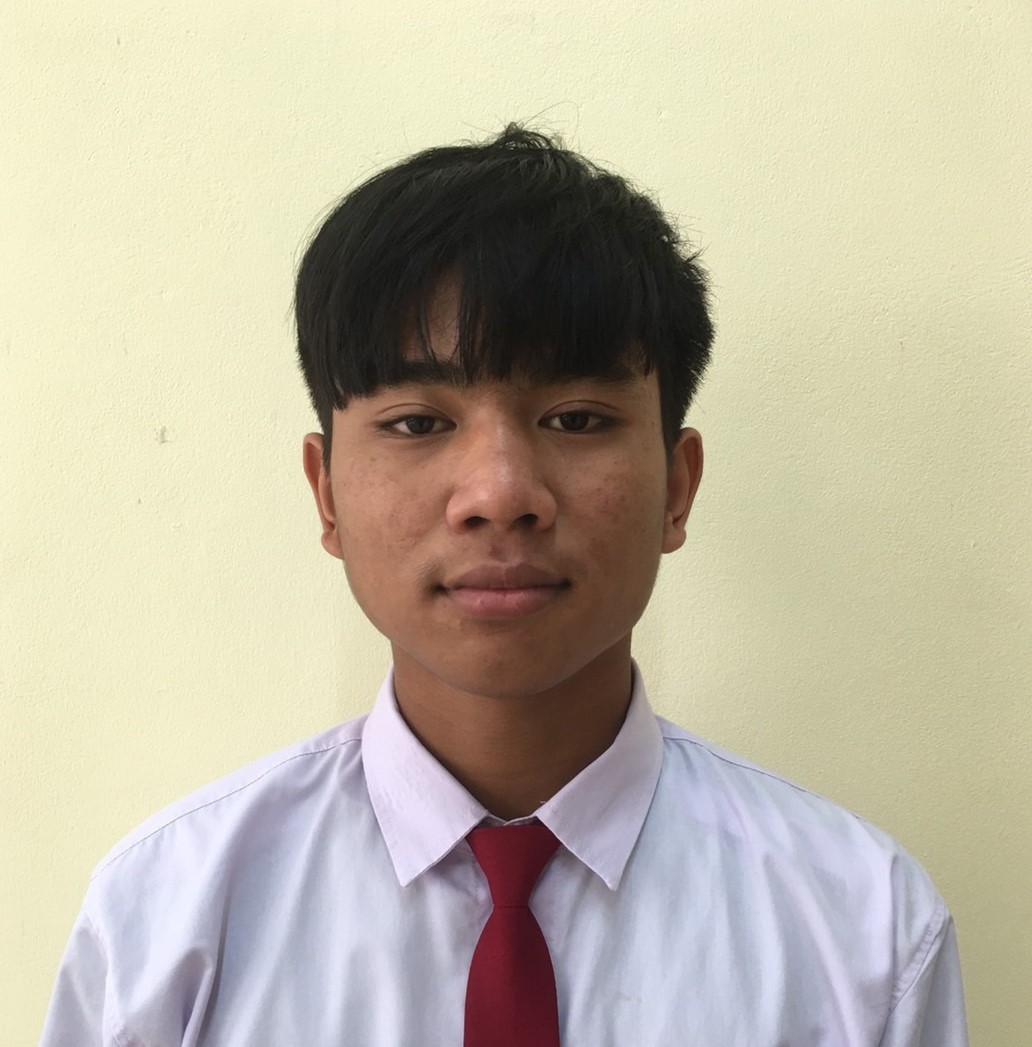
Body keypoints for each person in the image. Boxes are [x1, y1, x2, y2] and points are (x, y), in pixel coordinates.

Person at [40, 125, 968, 1046]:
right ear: (326, 494)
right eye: (417, 423)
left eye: (576, 418)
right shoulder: (164, 924)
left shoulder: (864, 932)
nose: (499, 494)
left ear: (677, 488)